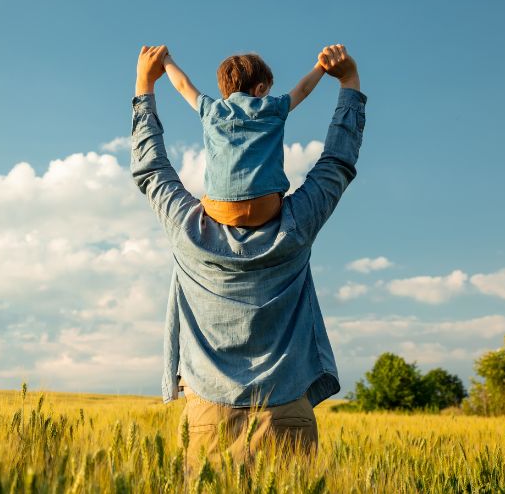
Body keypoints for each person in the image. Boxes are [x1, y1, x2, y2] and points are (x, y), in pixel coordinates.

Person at [130, 44, 366, 470]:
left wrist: (145, 86)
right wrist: (348, 83)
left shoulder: (187, 231)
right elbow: (337, 162)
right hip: (287, 414)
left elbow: (151, 169)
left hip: (207, 421)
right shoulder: (297, 225)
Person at [163, 50, 326, 227]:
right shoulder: (272, 107)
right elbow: (303, 89)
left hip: (221, 210)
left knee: (203, 201)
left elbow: (182, 85)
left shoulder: (211, 110)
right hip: (265, 208)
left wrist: (165, 59)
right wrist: (321, 66)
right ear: (260, 88)